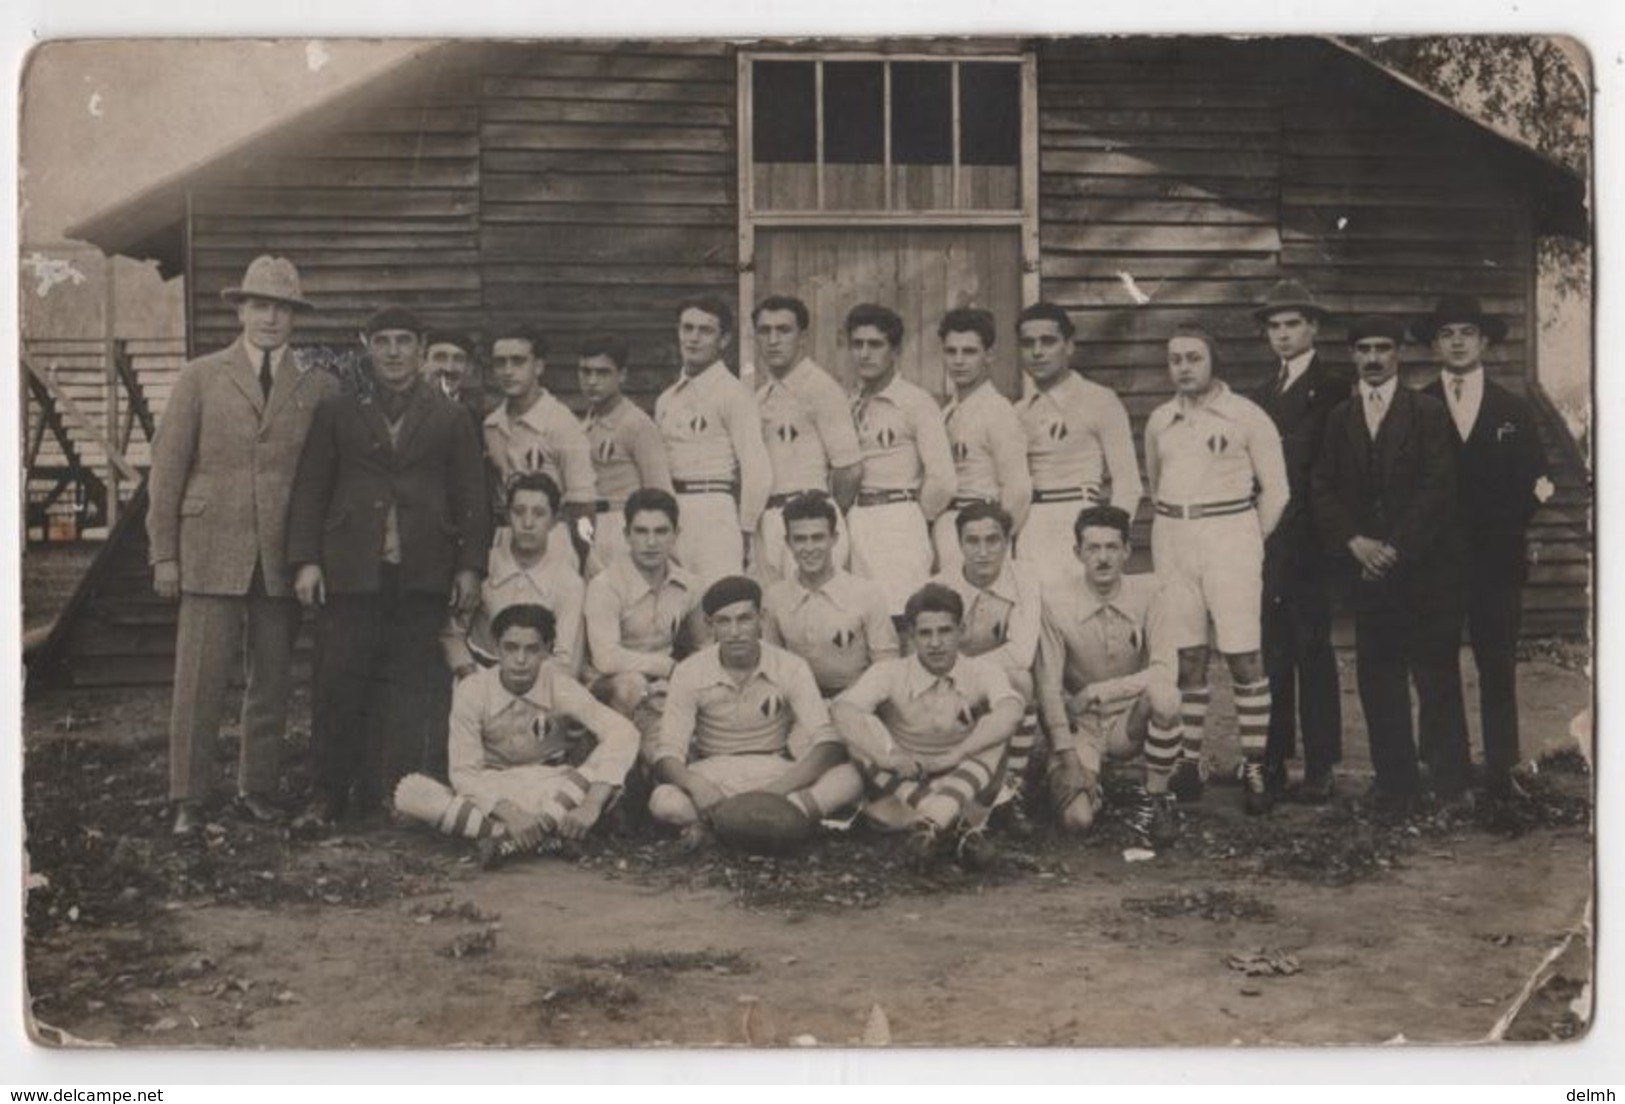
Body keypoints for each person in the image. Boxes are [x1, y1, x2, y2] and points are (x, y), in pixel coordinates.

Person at [147, 255, 339, 836]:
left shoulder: (318, 385)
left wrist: (311, 557)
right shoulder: (200, 377)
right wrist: (164, 554)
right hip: (209, 552)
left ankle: (257, 788)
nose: (270, 318)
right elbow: (167, 470)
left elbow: (323, 479)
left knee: (272, 679)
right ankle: (188, 797)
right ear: (241, 309)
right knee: (199, 677)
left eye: (282, 308)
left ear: (294, 317)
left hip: (279, 558)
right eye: (259, 305)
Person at [287, 305, 490, 827]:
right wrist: (307, 561)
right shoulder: (337, 411)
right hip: (351, 572)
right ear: (366, 345)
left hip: (422, 572)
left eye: (404, 341)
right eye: (383, 342)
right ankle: (328, 793)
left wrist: (469, 566)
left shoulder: (450, 416)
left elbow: (473, 495)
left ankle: (397, 793)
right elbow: (311, 488)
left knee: (412, 687)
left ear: (421, 349)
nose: (394, 352)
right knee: (338, 682)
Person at [1311, 315, 1469, 816]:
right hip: (1367, 571)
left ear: (1398, 353)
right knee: (1379, 678)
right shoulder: (1340, 418)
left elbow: (1440, 488)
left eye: (1382, 348)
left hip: (1422, 568)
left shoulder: (1426, 412)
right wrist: (1354, 541)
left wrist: (1396, 547)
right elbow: (1322, 487)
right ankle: (1395, 783)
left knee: (1436, 675)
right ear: (1353, 356)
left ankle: (1450, 784)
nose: (1374, 358)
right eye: (1364, 349)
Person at [1144, 321, 1289, 815]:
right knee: (1188, 656)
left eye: (1193, 358)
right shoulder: (1160, 420)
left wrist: (1248, 539)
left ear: (1213, 362)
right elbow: (1155, 482)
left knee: (1244, 656)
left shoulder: (1246, 416)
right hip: (1174, 538)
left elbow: (1278, 491)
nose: (1183, 368)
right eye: (1175, 359)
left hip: (1231, 537)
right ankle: (1189, 760)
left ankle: (1254, 765)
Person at [1418, 294, 1548, 804]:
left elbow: (1538, 480)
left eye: (1466, 333)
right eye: (1447, 333)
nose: (1456, 341)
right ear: (1434, 345)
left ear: (1484, 342)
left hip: (1495, 560)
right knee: (1436, 662)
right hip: (1436, 562)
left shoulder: (1511, 409)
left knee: (1496, 665)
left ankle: (1501, 771)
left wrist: (1510, 525)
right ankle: (1448, 772)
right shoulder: (1420, 405)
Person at [394, 604, 639, 867]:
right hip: (493, 788)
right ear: (497, 647)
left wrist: (591, 803)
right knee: (411, 793)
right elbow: (464, 773)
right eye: (511, 647)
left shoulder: (561, 686)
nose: (520, 660)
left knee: (606, 767)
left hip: (551, 787)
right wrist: (510, 814)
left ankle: (501, 839)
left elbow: (624, 732)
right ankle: (546, 838)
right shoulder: (473, 691)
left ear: (547, 650)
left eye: (532, 649)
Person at [648, 576, 861, 850]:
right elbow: (668, 754)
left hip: (776, 772)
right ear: (710, 625)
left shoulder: (791, 666)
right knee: (664, 801)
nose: (735, 631)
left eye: (744, 619)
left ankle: (720, 828)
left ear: (761, 618)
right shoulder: (690, 671)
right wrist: (696, 785)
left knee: (850, 779)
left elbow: (827, 742)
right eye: (724, 622)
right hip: (716, 773)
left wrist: (775, 791)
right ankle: (779, 826)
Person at [832, 583, 1025, 870]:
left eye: (945, 631)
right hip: (905, 779)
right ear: (911, 636)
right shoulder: (890, 671)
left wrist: (957, 755)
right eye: (925, 633)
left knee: (997, 727)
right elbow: (843, 711)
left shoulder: (982, 670)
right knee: (857, 725)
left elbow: (1011, 713)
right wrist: (890, 757)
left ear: (960, 631)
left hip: (967, 777)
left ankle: (934, 820)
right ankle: (948, 824)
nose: (935, 643)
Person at [1251, 280, 1348, 801]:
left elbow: (1335, 470)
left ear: (1313, 327)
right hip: (1269, 538)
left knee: (1312, 648)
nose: (1283, 335)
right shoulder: (1261, 395)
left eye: (1293, 324)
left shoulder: (1335, 388)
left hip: (1312, 540)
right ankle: (1272, 760)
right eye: (1275, 326)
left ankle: (1322, 764)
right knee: (1272, 651)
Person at [1035, 506, 1183, 847]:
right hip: (1081, 725)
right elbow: (1048, 686)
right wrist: (1068, 757)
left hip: (1128, 719)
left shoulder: (1151, 593)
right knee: (1078, 821)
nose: (1103, 558)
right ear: (1078, 553)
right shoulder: (1055, 601)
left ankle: (1156, 800)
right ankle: (1078, 779)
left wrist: (1098, 691)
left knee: (1166, 697)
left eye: (1112, 548)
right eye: (1093, 548)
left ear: (1128, 551)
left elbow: (1165, 669)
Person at [1014, 303, 1142, 588]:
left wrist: (1106, 541)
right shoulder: (1019, 412)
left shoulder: (1099, 400)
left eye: (1048, 341)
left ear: (1069, 346)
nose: (1037, 352)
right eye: (1028, 343)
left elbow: (1128, 483)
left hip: (1080, 522)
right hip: (1030, 528)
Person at [844, 303, 957, 617]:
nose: (864, 353)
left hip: (898, 521)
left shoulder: (916, 402)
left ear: (895, 350)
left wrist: (914, 516)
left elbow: (943, 479)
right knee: (861, 618)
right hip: (857, 519)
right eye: (857, 344)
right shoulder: (850, 402)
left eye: (875, 344)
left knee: (900, 616)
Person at [654, 296, 773, 585]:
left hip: (714, 511)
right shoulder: (667, 399)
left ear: (724, 340)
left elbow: (757, 470)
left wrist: (744, 529)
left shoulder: (733, 395)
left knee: (717, 601)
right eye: (687, 328)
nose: (693, 338)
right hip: (671, 514)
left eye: (705, 331)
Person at [582, 488, 704, 754]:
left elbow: (701, 647)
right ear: (627, 535)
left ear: (676, 535)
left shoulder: (689, 584)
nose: (651, 542)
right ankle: (614, 754)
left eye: (661, 532)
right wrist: (667, 668)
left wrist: (679, 678)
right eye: (641, 531)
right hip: (610, 684)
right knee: (631, 686)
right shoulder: (606, 585)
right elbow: (605, 658)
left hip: (664, 682)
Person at [752, 295, 863, 583]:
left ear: (802, 338)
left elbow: (849, 469)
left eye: (783, 330)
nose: (773, 340)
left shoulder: (821, 389)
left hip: (808, 521)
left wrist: (824, 509)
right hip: (769, 522)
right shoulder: (760, 396)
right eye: (765, 331)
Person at [443, 471, 586, 681]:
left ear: (554, 521)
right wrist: (468, 673)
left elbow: (565, 663)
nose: (528, 523)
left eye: (539, 513)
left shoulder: (569, 583)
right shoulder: (483, 563)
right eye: (519, 512)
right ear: (507, 516)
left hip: (537, 685)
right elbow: (452, 633)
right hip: (476, 676)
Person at [483, 323, 597, 571]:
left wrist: (582, 559)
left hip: (553, 545)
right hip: (505, 546)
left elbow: (583, 504)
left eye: (518, 361)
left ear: (539, 366)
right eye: (500, 363)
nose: (508, 371)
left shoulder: (561, 423)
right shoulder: (491, 425)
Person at [761, 491, 899, 697]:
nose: (809, 548)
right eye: (800, 539)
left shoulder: (867, 593)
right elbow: (773, 664)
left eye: (818, 538)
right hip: (800, 702)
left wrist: (851, 703)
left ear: (834, 539)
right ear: (788, 543)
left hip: (857, 700)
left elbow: (886, 667)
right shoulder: (775, 597)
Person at [933, 308, 1032, 581]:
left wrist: (995, 540)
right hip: (948, 525)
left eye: (969, 351)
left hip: (981, 529)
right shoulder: (947, 412)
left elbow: (1019, 489)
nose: (959, 361)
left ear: (989, 355)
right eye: (951, 352)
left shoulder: (998, 411)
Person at [577, 333, 673, 574]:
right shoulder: (583, 427)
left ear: (622, 375)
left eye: (602, 373)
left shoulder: (636, 424)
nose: (592, 381)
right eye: (586, 372)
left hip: (623, 524)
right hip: (588, 527)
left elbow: (660, 491)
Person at [422, 329, 486, 424]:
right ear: (422, 363)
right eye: (440, 357)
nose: (449, 368)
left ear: (469, 368)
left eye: (458, 359)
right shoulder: (405, 413)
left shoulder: (478, 420)